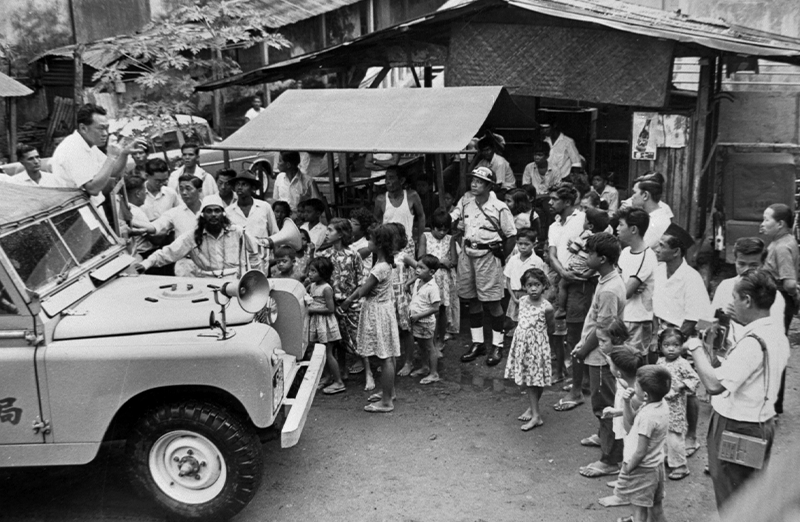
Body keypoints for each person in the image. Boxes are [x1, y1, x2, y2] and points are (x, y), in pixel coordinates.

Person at [689, 269, 790, 509]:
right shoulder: (774, 334)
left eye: (734, 298)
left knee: (732, 497)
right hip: (759, 422)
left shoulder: (753, 343)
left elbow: (714, 385)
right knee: (748, 492)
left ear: (747, 300)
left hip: (737, 425)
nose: (731, 305)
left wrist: (695, 348)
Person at [570, 233, 626, 478]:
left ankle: (611, 459)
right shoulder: (606, 279)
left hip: (602, 356)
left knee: (604, 405)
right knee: (601, 402)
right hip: (597, 351)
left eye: (589, 253)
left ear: (602, 258)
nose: (585, 256)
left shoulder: (609, 289)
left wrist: (583, 350)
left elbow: (603, 329)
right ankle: (604, 437)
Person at [653, 223, 711, 454]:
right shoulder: (659, 271)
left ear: (676, 251)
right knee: (664, 386)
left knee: (686, 388)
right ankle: (667, 433)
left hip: (683, 338)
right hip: (661, 335)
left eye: (661, 245)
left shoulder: (691, 277)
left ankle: (691, 436)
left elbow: (693, 318)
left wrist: (674, 344)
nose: (656, 249)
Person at [450, 166, 517, 366]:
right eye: (473, 181)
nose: (474, 184)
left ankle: (497, 344)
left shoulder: (499, 207)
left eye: (479, 182)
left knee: (493, 301)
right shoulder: (466, 204)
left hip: (488, 255)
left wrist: (502, 257)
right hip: (468, 254)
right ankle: (477, 343)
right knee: (472, 299)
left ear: (489, 186)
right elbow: (459, 228)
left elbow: (511, 236)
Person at [340, 224, 400, 413]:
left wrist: (347, 301)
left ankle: (387, 402)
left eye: (371, 239)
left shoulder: (379, 268)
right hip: (384, 310)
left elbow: (363, 291)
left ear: (379, 244)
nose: (368, 242)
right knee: (388, 354)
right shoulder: (384, 263)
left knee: (384, 356)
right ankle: (389, 392)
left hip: (377, 312)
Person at [548, 184, 592, 411]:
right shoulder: (553, 225)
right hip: (562, 279)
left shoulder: (583, 219)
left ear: (567, 202)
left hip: (581, 282)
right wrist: (562, 273)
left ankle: (579, 388)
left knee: (577, 334)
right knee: (565, 332)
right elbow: (552, 254)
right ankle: (580, 380)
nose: (550, 203)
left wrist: (578, 273)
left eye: (554, 199)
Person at [134, 195, 255, 278]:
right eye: (209, 211)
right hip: (208, 283)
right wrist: (145, 264)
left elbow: (255, 252)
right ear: (202, 215)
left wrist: (256, 277)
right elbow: (168, 253)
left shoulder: (237, 232)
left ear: (223, 214)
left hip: (236, 281)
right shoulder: (193, 236)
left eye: (217, 211)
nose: (213, 214)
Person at [52, 103, 144, 212]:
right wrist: (111, 156)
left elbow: (113, 172)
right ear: (83, 128)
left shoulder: (89, 145)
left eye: (106, 128)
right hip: (77, 212)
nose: (105, 133)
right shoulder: (72, 148)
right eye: (100, 128)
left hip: (92, 207)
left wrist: (124, 154)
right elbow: (93, 189)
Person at [612, 365, 671, 522]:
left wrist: (627, 469)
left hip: (642, 469)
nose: (633, 386)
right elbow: (633, 419)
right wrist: (626, 402)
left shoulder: (648, 417)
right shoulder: (660, 404)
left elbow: (640, 451)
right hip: (656, 466)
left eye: (636, 385)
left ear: (645, 395)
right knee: (656, 507)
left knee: (639, 510)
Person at [316, 219, 366, 389]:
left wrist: (348, 301)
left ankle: (368, 373)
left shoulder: (353, 255)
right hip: (332, 304)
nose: (327, 233)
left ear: (340, 234)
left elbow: (361, 282)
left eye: (330, 230)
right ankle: (340, 372)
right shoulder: (325, 256)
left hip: (351, 303)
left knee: (356, 338)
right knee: (336, 340)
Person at [505, 267, 554, 431]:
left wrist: (539, 343)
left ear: (544, 285)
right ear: (524, 287)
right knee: (530, 381)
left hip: (537, 348)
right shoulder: (523, 301)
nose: (533, 289)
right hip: (522, 346)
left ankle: (536, 415)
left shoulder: (547, 307)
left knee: (536, 381)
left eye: (537, 285)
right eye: (529, 285)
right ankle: (534, 410)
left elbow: (551, 328)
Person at [711, 237, 785, 346]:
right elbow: (710, 320)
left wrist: (744, 321)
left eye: (753, 265)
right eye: (741, 264)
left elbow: (776, 337)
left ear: (763, 264)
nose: (746, 270)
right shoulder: (725, 286)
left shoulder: (773, 295)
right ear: (735, 261)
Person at [598, 340, 642, 509]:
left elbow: (633, 419)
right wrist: (617, 412)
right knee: (626, 455)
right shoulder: (629, 382)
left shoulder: (635, 394)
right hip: (629, 425)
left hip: (634, 432)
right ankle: (624, 482)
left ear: (618, 372)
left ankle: (623, 494)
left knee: (630, 459)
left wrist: (621, 411)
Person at [655, 327, 699, 481]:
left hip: (675, 406)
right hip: (662, 403)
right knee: (663, 433)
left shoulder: (683, 363)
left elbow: (694, 379)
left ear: (681, 347)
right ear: (661, 346)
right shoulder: (660, 362)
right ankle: (668, 458)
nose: (671, 349)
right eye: (667, 345)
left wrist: (681, 385)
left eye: (676, 345)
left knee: (675, 436)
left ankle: (680, 465)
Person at [617, 207, 658, 362]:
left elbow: (625, 292)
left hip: (637, 319)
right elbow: (617, 282)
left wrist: (626, 287)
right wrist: (625, 285)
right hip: (623, 316)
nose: (617, 228)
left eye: (621, 224)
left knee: (634, 362)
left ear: (633, 229)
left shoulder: (647, 256)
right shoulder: (625, 252)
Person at [555, 208, 609, 320]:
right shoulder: (600, 238)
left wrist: (572, 244)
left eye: (585, 221)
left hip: (578, 266)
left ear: (590, 226)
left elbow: (573, 249)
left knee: (562, 284)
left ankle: (561, 309)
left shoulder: (586, 234)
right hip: (589, 268)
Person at [419, 208, 459, 347]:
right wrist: (440, 262)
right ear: (432, 227)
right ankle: (428, 340)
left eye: (445, 230)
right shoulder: (425, 237)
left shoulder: (450, 239)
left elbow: (454, 260)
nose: (442, 233)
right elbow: (421, 257)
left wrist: (448, 263)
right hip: (429, 279)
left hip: (444, 280)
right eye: (439, 229)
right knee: (428, 309)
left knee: (441, 310)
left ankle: (440, 340)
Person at [306, 257, 345, 395]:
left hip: (325, 323)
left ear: (323, 273)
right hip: (317, 322)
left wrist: (312, 309)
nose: (310, 274)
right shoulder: (312, 286)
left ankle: (339, 382)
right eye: (310, 270)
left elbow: (330, 309)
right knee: (321, 352)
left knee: (328, 353)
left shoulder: (326, 288)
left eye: (313, 271)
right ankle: (327, 377)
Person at [226, 171, 278, 273]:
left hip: (262, 260)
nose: (240, 187)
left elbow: (275, 234)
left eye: (244, 184)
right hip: (238, 262)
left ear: (252, 188)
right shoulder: (228, 211)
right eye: (237, 184)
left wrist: (274, 258)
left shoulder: (264, 207)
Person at [760, 203, 799, 333]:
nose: (762, 224)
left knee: (774, 337)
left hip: (778, 300)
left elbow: (790, 284)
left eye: (766, 220)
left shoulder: (782, 247)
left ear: (780, 224)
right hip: (777, 298)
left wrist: (795, 295)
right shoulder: (785, 240)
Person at [407, 254, 443, 385]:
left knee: (430, 347)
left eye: (422, 268)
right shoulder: (419, 281)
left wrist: (418, 316)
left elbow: (435, 308)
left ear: (432, 272)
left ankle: (434, 373)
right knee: (422, 346)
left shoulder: (432, 287)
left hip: (425, 322)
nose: (417, 270)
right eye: (417, 267)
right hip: (417, 321)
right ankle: (424, 366)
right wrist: (408, 284)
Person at [504, 228, 546, 336]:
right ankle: (518, 332)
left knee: (530, 317)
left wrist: (533, 295)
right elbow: (508, 280)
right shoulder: (513, 259)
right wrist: (513, 297)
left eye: (526, 244)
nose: (522, 247)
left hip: (530, 294)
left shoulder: (537, 261)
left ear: (534, 244)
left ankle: (530, 335)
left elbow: (541, 281)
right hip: (515, 294)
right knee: (515, 316)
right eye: (520, 244)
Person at [374, 167, 426, 251]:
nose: (387, 182)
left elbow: (421, 216)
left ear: (401, 181)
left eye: (391, 178)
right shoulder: (380, 200)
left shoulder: (412, 196)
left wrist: (420, 238)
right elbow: (377, 221)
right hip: (388, 246)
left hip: (407, 245)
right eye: (386, 178)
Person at [630, 175, 671, 250]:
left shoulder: (656, 221)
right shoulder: (653, 216)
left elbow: (640, 249)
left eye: (634, 192)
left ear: (645, 195)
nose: (632, 197)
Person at [122, 175, 155, 257]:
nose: (146, 194)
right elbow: (154, 238)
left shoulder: (124, 208)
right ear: (138, 194)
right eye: (145, 191)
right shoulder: (136, 212)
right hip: (144, 253)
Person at [540, 119, 580, 184]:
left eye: (547, 128)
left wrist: (572, 179)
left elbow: (576, 162)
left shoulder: (568, 142)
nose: (544, 130)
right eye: (543, 128)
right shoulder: (544, 141)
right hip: (548, 179)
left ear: (554, 126)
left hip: (563, 179)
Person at [349, 207, 377, 275]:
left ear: (363, 227)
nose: (350, 225)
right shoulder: (351, 239)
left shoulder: (366, 246)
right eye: (350, 221)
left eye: (355, 224)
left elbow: (348, 261)